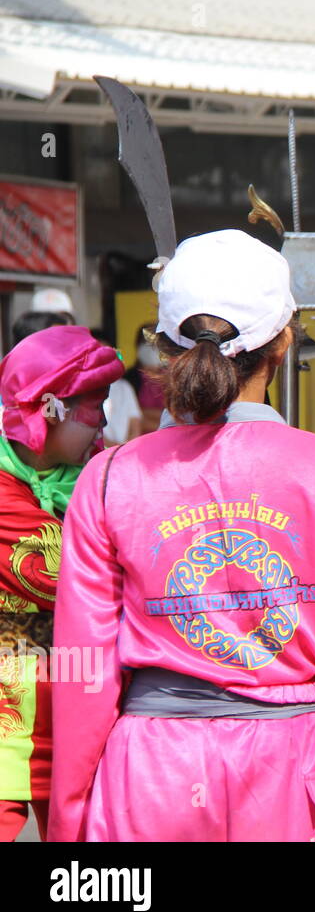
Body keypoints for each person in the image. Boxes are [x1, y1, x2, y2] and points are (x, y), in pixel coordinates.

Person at [49, 229, 315, 842]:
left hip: (149, 787)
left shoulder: (108, 480)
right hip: (302, 786)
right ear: (285, 341)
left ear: (163, 345)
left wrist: (69, 824)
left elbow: (81, 677)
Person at [0, 326, 123, 842]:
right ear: (50, 409)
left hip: (81, 721)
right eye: (95, 408)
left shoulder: (103, 472)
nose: (104, 424)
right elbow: (69, 578)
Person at [124, 324, 166, 435]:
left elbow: (178, 415)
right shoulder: (129, 378)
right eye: (147, 343)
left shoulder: (173, 377)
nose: (153, 349)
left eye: (157, 344)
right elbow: (130, 415)